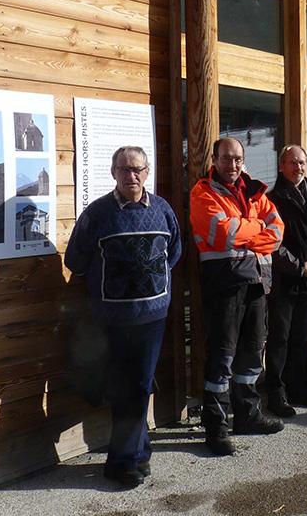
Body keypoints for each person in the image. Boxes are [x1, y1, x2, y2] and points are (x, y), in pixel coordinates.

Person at [64, 146, 182, 488]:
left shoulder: (162, 209)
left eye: (138, 170)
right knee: (123, 388)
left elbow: (173, 253)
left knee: (141, 384)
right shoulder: (97, 214)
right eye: (124, 169)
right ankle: (125, 459)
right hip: (112, 319)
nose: (132, 175)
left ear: (147, 173)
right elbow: (76, 261)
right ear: (113, 172)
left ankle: (132, 456)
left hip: (153, 316)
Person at [190, 137, 286, 456]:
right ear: (214, 160)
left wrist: (247, 231)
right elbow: (221, 233)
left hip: (257, 283)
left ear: (243, 161)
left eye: (237, 159)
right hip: (225, 285)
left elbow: (276, 232)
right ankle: (216, 427)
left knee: (251, 351)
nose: (232, 165)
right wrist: (253, 229)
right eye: (226, 158)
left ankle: (247, 414)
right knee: (222, 356)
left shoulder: (255, 191)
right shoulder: (203, 192)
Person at [265, 145, 307, 415]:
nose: (299, 168)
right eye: (293, 163)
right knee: (279, 339)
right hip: (285, 281)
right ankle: (276, 394)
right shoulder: (273, 199)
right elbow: (272, 243)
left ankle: (298, 389)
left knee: (299, 338)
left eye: (303, 162)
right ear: (281, 166)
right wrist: (298, 267)